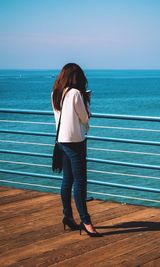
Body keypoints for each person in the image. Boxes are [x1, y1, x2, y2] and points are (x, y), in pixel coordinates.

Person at [51, 63, 102, 237]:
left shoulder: (55, 93)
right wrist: (87, 101)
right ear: (77, 77)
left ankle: (68, 216)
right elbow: (85, 117)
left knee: (67, 180)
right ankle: (86, 221)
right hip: (76, 142)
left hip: (61, 142)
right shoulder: (75, 93)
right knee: (80, 183)